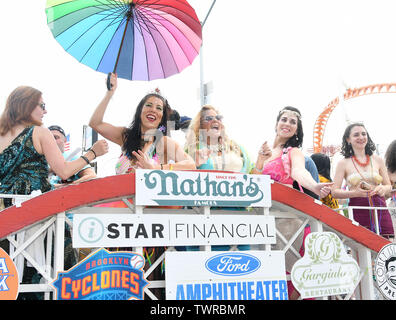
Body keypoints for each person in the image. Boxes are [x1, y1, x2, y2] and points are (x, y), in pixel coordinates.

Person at [0, 86, 108, 299]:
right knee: (52, 274)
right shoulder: (39, 131)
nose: (45, 111)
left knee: (9, 275)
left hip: (5, 216)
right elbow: (64, 170)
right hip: (36, 216)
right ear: (27, 105)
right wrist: (93, 153)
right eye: (42, 105)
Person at [252, 106, 332, 299]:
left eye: (292, 122)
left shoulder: (293, 151)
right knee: (271, 276)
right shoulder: (265, 151)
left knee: (293, 276)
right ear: (277, 123)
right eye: (284, 119)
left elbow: (298, 171)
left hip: (289, 223)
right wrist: (259, 160)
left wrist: (315, 186)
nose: (287, 124)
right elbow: (255, 182)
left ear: (297, 129)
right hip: (266, 223)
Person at [89, 73, 195, 174]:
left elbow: (191, 165)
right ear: (140, 111)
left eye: (159, 108)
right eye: (148, 105)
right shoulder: (125, 136)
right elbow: (96, 124)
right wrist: (109, 93)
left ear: (162, 117)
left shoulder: (163, 142)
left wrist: (156, 168)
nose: (153, 110)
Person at [331, 123, 394, 238]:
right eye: (356, 135)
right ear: (348, 139)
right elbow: (334, 192)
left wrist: (382, 188)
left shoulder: (378, 160)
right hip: (358, 209)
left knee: (385, 249)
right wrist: (355, 193)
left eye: (364, 134)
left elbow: (389, 186)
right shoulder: (343, 163)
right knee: (361, 248)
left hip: (380, 208)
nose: (361, 137)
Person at [184, 105, 253, 173]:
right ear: (200, 125)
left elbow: (253, 173)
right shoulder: (193, 149)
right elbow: (180, 173)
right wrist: (194, 164)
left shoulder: (237, 147)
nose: (215, 120)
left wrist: (260, 159)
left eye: (218, 118)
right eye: (209, 118)